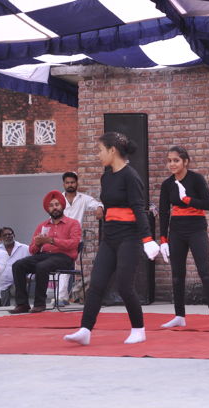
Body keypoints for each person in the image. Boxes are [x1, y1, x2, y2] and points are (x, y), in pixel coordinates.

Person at [64, 132, 160, 345]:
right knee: (96, 284)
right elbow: (108, 206)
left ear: (112, 150)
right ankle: (85, 330)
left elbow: (139, 209)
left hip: (129, 238)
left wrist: (147, 239)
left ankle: (138, 329)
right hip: (110, 238)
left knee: (124, 286)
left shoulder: (131, 176)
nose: (98, 155)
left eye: (100, 150)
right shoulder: (106, 176)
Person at [158, 146, 209, 330]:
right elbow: (163, 212)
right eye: (169, 161)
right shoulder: (167, 184)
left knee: (205, 272)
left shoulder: (196, 179)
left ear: (185, 162)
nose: (172, 164)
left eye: (176, 160)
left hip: (196, 229)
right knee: (177, 275)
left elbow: (208, 204)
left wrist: (187, 199)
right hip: (176, 231)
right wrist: (163, 239)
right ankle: (179, 316)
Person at [9, 191, 82, 314]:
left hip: (65, 257)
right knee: (18, 265)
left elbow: (74, 244)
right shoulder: (42, 226)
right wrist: (38, 244)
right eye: (51, 205)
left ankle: (39, 303)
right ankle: (22, 304)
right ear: (47, 209)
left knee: (42, 266)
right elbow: (32, 250)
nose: (54, 207)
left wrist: (51, 240)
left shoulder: (73, 223)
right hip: (44, 256)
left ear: (62, 206)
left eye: (57, 204)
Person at [57, 171, 104, 306]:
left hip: (75, 239)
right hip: (59, 238)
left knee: (66, 264)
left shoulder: (83, 198)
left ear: (77, 183)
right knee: (61, 265)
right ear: (64, 184)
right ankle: (61, 296)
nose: (70, 185)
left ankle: (62, 297)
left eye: (72, 182)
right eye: (67, 183)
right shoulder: (58, 198)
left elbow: (97, 204)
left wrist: (99, 208)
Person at [0, 227, 30, 306]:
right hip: (2, 282)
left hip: (20, 280)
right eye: (4, 235)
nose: (8, 236)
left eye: (9, 234)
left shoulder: (24, 248)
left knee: (20, 305)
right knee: (3, 306)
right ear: (0, 238)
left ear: (14, 235)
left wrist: (30, 277)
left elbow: (33, 262)